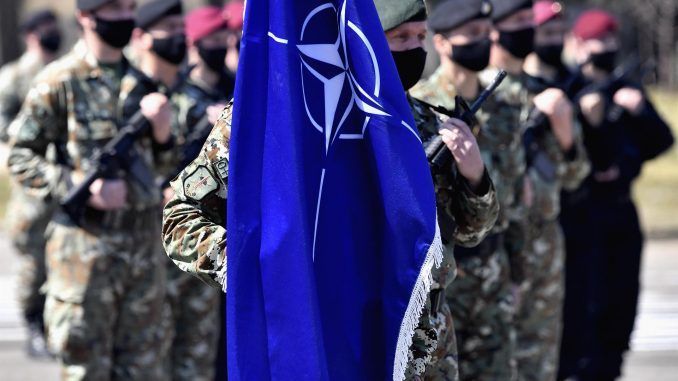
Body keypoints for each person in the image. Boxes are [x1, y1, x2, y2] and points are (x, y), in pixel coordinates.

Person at [162, 1, 499, 380]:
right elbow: (180, 215)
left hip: (419, 343)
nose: (413, 49)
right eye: (400, 37)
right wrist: (257, 265)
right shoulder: (274, 122)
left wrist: (475, 177)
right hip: (321, 337)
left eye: (420, 37)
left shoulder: (424, 123)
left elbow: (471, 230)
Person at [7, 0, 174, 378]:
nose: (124, 17)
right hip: (85, 257)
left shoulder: (143, 83)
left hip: (142, 257)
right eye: (113, 10)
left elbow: (163, 170)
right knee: (86, 370)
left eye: (129, 8)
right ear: (86, 16)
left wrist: (163, 136)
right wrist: (74, 185)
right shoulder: (59, 80)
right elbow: (19, 156)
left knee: (143, 369)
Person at [410, 1, 520, 379]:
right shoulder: (422, 108)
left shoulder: (507, 104)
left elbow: (514, 201)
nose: (486, 41)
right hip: (442, 281)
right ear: (441, 43)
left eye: (487, 33)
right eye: (472, 34)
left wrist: (517, 274)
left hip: (493, 270)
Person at [563, 10, 674, 381]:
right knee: (588, 313)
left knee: (621, 309)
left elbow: (661, 141)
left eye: (611, 41)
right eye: (598, 41)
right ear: (579, 46)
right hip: (584, 216)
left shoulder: (626, 87)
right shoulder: (570, 89)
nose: (606, 48)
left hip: (622, 213)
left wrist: (639, 111)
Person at [514, 2, 591, 380]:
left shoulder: (567, 88)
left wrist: (564, 129)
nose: (551, 40)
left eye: (556, 33)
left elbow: (577, 172)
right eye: (543, 32)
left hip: (554, 235)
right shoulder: (506, 93)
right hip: (505, 243)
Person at [0, 9, 63, 358]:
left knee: (59, 262)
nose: (52, 35)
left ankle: (52, 327)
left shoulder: (63, 72)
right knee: (31, 265)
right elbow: (4, 129)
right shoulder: (13, 78)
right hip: (32, 191)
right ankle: (32, 323)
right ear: (30, 35)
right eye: (44, 30)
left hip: (64, 187)